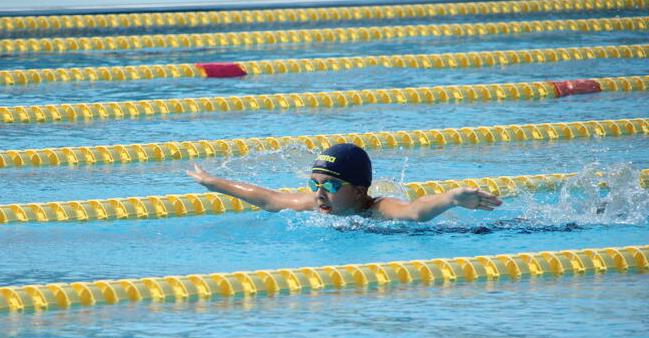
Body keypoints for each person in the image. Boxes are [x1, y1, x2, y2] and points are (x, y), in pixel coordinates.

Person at [186, 143, 502, 221]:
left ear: (359, 190)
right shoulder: (316, 203)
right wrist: (212, 182)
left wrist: (451, 198)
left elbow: (414, 211)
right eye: (314, 184)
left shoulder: (377, 209)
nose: (319, 194)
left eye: (331, 186)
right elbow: (269, 198)